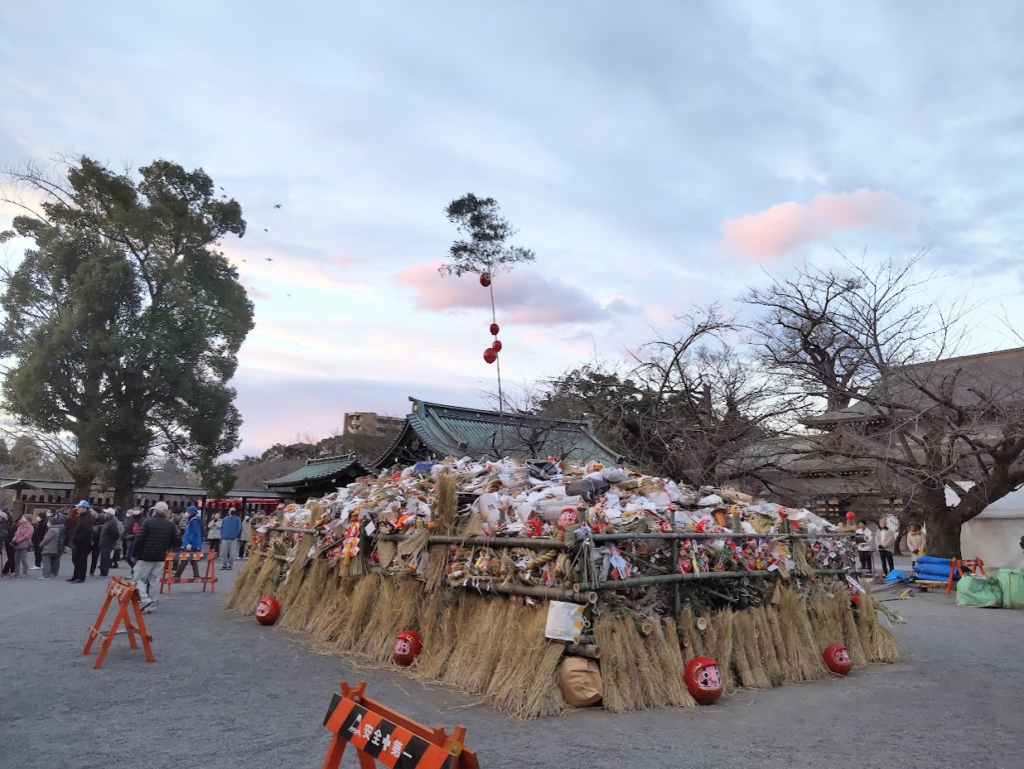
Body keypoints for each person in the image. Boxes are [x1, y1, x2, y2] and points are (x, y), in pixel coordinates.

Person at [132, 502, 179, 613]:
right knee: (154, 581)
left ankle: (145, 599)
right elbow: (175, 541)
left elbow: (139, 539)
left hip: (145, 556)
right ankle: (152, 604)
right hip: (160, 556)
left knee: (138, 579)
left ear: (155, 510)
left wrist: (134, 553)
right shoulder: (171, 525)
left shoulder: (148, 522)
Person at [174, 506, 203, 579]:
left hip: (192, 543)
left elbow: (194, 532)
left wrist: (190, 542)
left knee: (185, 559)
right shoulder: (192, 520)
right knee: (193, 559)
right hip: (192, 543)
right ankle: (196, 574)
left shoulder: (194, 521)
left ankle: (177, 574)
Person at [68, 501, 94, 583]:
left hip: (83, 542)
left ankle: (81, 577)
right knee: (76, 559)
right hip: (79, 541)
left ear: (84, 508)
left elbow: (86, 531)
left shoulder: (88, 518)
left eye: (79, 507)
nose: (77, 509)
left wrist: (77, 538)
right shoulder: (82, 516)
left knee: (81, 560)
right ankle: (76, 575)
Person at [39, 513, 63, 579]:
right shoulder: (57, 530)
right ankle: (53, 573)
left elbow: (46, 539)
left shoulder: (52, 530)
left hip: (49, 548)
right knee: (53, 561)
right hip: (54, 548)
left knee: (46, 562)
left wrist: (41, 544)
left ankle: (46, 575)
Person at [98, 508, 120, 577]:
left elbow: (116, 533)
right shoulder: (108, 521)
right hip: (105, 542)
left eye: (106, 513)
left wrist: (111, 540)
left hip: (107, 543)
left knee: (105, 558)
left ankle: (104, 573)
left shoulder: (112, 522)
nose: (104, 514)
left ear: (109, 515)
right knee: (104, 557)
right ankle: (103, 572)